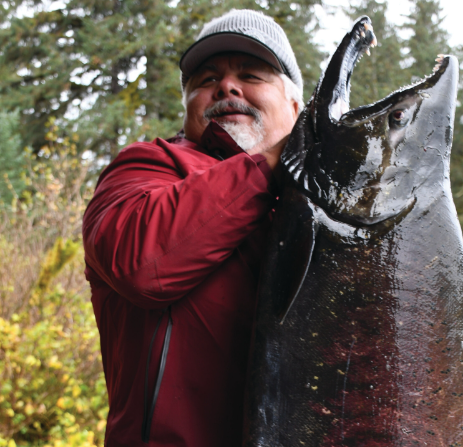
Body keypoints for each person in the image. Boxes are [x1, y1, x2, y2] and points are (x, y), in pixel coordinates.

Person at [82, 9, 303, 447]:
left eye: (251, 74)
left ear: (295, 106)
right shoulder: (147, 167)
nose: (226, 86)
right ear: (187, 105)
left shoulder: (322, 207)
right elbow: (141, 263)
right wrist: (273, 162)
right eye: (205, 80)